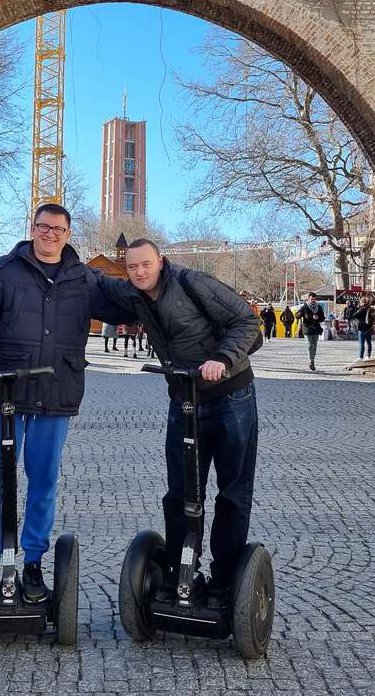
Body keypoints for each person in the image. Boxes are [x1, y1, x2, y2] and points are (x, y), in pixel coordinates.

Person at [0, 203, 127, 606]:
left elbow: (127, 303)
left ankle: (32, 562)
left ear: (69, 234)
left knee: (43, 483)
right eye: (43, 226)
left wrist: (159, 281)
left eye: (58, 228)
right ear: (32, 229)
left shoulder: (83, 277)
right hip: (3, 392)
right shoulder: (4, 269)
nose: (49, 233)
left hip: (55, 391)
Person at [95, 239, 261, 609]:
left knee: (232, 493)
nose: (139, 272)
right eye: (133, 266)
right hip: (184, 399)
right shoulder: (133, 294)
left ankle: (225, 579)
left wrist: (221, 357)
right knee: (181, 494)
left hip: (231, 397)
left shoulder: (193, 282)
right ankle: (181, 572)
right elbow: (95, 282)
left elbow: (247, 321)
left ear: (161, 262)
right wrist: (60, 260)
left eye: (146, 265)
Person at [296, 292, 325, 371]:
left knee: (314, 346)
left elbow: (322, 318)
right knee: (309, 345)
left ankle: (312, 361)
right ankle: (311, 362)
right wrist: (300, 314)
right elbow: (297, 315)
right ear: (308, 299)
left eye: (314, 299)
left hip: (316, 329)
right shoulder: (304, 307)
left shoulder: (318, 307)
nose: (313, 301)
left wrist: (318, 317)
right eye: (312, 299)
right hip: (307, 329)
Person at [350, 295, 375, 360]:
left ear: (362, 302)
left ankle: (361, 357)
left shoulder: (361, 309)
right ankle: (368, 356)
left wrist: (357, 308)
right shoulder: (372, 309)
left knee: (361, 343)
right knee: (369, 342)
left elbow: (354, 316)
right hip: (369, 328)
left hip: (361, 328)